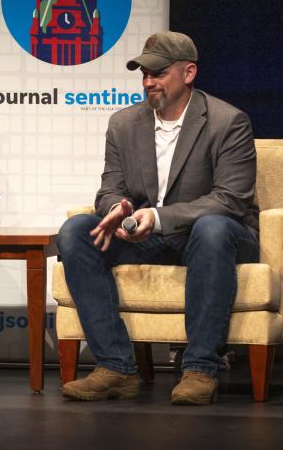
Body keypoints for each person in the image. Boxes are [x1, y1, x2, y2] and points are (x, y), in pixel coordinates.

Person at [58, 31, 260, 405]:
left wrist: (158, 216)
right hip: (148, 237)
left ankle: (200, 367)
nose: (149, 81)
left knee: (213, 228)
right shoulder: (124, 124)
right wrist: (118, 209)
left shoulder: (227, 121)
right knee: (76, 231)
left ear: (188, 73)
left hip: (216, 238)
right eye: (144, 73)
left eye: (159, 72)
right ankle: (116, 367)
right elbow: (109, 188)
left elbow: (230, 200)